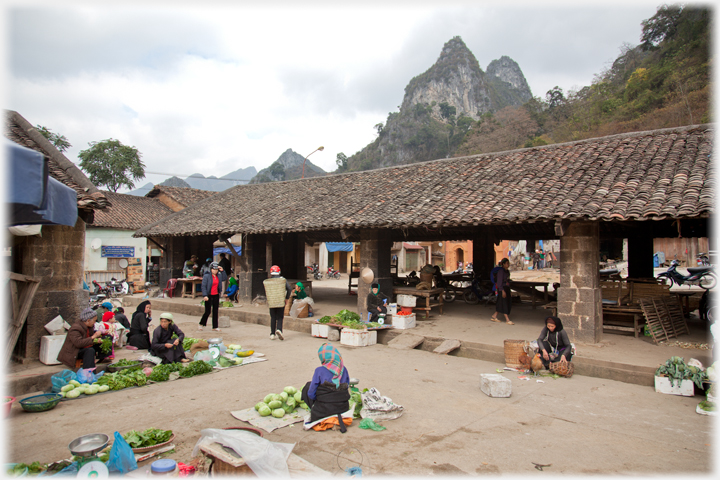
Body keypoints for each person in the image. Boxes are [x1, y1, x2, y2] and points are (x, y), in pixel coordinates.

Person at [301, 343, 351, 431]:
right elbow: (346, 387)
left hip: (323, 410)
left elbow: (311, 393)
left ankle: (321, 412)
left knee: (307, 387)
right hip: (342, 408)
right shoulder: (344, 369)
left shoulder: (319, 371)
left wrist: (319, 398)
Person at [263, 265, 292, 340]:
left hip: (272, 301)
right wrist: (286, 298)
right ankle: (279, 329)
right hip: (280, 301)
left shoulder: (268, 281)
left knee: (273, 317)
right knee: (280, 317)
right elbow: (289, 289)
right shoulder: (283, 280)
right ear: (279, 271)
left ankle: (272, 334)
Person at [199, 262, 228, 331]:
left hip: (216, 295)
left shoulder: (219, 275)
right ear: (211, 269)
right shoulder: (207, 276)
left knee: (215, 311)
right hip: (209, 295)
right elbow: (203, 286)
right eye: (213, 269)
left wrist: (222, 270)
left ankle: (215, 326)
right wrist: (205, 295)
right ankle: (201, 324)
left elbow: (224, 278)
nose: (215, 271)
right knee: (207, 311)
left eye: (216, 269)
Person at [490, 258, 514, 325]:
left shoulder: (507, 271)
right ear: (503, 264)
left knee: (502, 303)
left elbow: (508, 281)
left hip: (507, 288)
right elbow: (499, 282)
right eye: (506, 263)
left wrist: (510, 290)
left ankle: (494, 316)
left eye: (508, 263)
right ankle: (507, 319)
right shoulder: (501, 271)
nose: (508, 264)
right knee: (504, 303)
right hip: (502, 289)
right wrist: (502, 290)